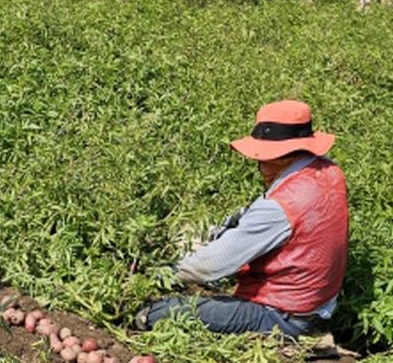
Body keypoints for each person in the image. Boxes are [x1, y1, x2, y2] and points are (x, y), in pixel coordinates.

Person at [138, 100, 348, 339]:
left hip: (281, 316)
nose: (259, 166)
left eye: (264, 159)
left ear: (283, 157)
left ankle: (149, 313)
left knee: (161, 311)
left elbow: (212, 265)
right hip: (315, 305)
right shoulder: (330, 171)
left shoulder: (280, 207)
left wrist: (160, 275)